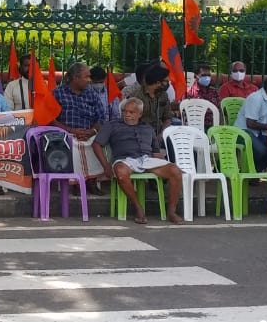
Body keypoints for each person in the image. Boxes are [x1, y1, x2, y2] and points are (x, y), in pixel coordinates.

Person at [91, 97, 185, 224]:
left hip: (146, 159)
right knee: (121, 172)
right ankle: (138, 207)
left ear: (140, 114)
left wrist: (165, 163)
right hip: (124, 159)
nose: (127, 115)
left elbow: (156, 152)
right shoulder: (112, 125)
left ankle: (172, 212)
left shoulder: (147, 128)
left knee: (175, 171)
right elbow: (96, 144)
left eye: (131, 112)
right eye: (125, 111)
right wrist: (106, 166)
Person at [51, 62, 108, 192]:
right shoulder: (57, 93)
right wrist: (71, 130)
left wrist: (91, 131)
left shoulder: (91, 93)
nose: (89, 80)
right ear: (75, 78)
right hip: (67, 133)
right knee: (72, 144)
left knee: (99, 143)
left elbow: (101, 117)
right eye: (86, 77)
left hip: (90, 133)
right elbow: (50, 119)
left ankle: (92, 181)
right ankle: (77, 182)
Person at [238, 75, 267, 172]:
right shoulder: (256, 98)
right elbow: (250, 124)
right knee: (261, 151)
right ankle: (249, 171)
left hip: (261, 134)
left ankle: (253, 172)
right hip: (243, 133)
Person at [129, 66, 173, 136]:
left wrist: (162, 134)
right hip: (141, 136)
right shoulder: (136, 97)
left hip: (161, 134)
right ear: (158, 83)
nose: (168, 83)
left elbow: (167, 118)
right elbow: (131, 122)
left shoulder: (163, 95)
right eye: (165, 81)